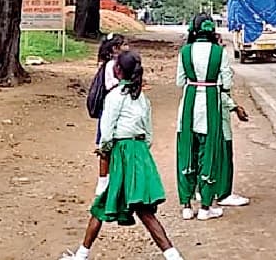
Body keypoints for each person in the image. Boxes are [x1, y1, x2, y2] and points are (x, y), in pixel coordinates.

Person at [61, 50, 185, 260]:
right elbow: (148, 135)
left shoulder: (114, 97)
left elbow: (107, 133)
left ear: (117, 71)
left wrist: (104, 154)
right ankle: (173, 256)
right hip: (140, 153)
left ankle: (81, 255)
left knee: (101, 203)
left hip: (121, 153)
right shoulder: (142, 99)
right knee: (144, 210)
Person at [176, 15, 250, 221]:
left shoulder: (185, 52)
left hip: (189, 105)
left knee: (187, 152)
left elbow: (179, 81)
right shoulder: (219, 52)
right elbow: (226, 81)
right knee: (209, 154)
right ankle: (206, 208)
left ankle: (186, 206)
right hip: (211, 105)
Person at [88, 34, 127, 197]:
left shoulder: (113, 64)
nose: (127, 47)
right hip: (110, 110)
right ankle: (103, 181)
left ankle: (110, 180)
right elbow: (109, 84)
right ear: (115, 48)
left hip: (112, 108)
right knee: (105, 146)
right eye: (124, 44)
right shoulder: (112, 65)